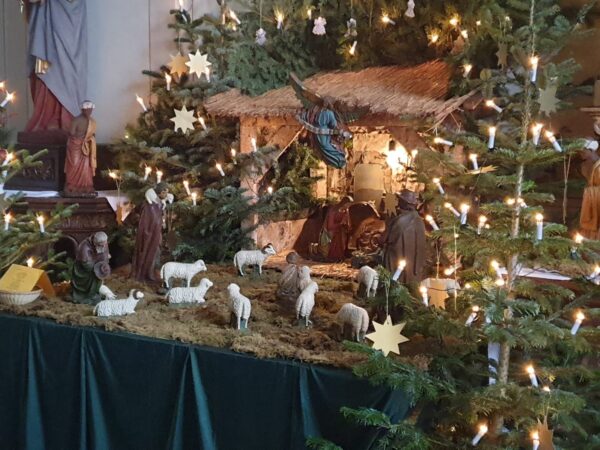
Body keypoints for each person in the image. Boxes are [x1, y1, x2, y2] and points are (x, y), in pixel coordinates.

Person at [24, 0, 87, 132]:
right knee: (44, 64)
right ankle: (45, 117)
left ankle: (65, 117)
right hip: (43, 19)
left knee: (65, 65)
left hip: (65, 18)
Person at [379, 189, 426, 284]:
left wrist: (389, 223)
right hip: (413, 265)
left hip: (396, 261)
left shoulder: (400, 220)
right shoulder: (419, 221)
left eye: (399, 200)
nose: (398, 203)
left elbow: (385, 239)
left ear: (405, 203)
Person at [131, 183, 169, 283]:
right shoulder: (149, 205)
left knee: (156, 252)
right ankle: (146, 273)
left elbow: (159, 217)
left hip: (156, 233)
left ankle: (152, 272)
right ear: (159, 193)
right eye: (164, 192)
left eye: (166, 192)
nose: (166, 195)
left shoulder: (160, 204)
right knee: (149, 252)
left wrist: (162, 221)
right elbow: (148, 221)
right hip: (149, 233)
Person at [63, 101, 97, 197]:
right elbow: (72, 133)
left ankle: (86, 186)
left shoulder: (92, 122)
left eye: (90, 110)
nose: (89, 111)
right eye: (87, 110)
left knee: (86, 166)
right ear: (82, 110)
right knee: (73, 164)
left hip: (86, 147)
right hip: (75, 146)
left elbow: (92, 134)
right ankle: (72, 185)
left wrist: (88, 139)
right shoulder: (76, 120)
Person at [70, 231, 111, 304]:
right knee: (95, 277)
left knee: (99, 276)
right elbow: (86, 265)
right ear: (95, 243)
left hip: (97, 266)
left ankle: (95, 292)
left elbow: (105, 255)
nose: (103, 246)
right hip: (84, 270)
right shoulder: (84, 246)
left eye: (104, 244)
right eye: (100, 245)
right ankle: (89, 295)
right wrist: (97, 269)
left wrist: (103, 265)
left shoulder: (104, 244)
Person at [580, 141, 600, 240]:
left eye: (583, 150)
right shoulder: (587, 165)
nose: (580, 153)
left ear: (591, 150)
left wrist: (590, 192)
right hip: (593, 207)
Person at [322, 196, 352, 262]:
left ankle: (342, 254)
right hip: (332, 231)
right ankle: (334, 256)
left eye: (349, 205)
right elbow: (330, 226)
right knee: (337, 237)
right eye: (347, 204)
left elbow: (347, 224)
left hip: (341, 230)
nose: (348, 206)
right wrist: (340, 224)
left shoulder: (346, 211)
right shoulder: (333, 211)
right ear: (344, 203)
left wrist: (346, 218)